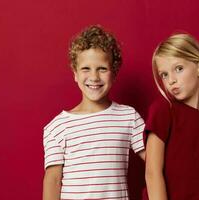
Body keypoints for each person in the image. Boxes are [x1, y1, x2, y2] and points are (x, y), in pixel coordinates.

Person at [42, 25, 145, 200]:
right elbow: (53, 181)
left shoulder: (129, 117)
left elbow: (155, 162)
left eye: (102, 69)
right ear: (75, 73)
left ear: (114, 73)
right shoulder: (57, 127)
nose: (94, 77)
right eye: (86, 69)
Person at [144, 33, 199, 200]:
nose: (171, 80)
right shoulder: (163, 110)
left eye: (179, 69)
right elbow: (152, 172)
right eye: (164, 74)